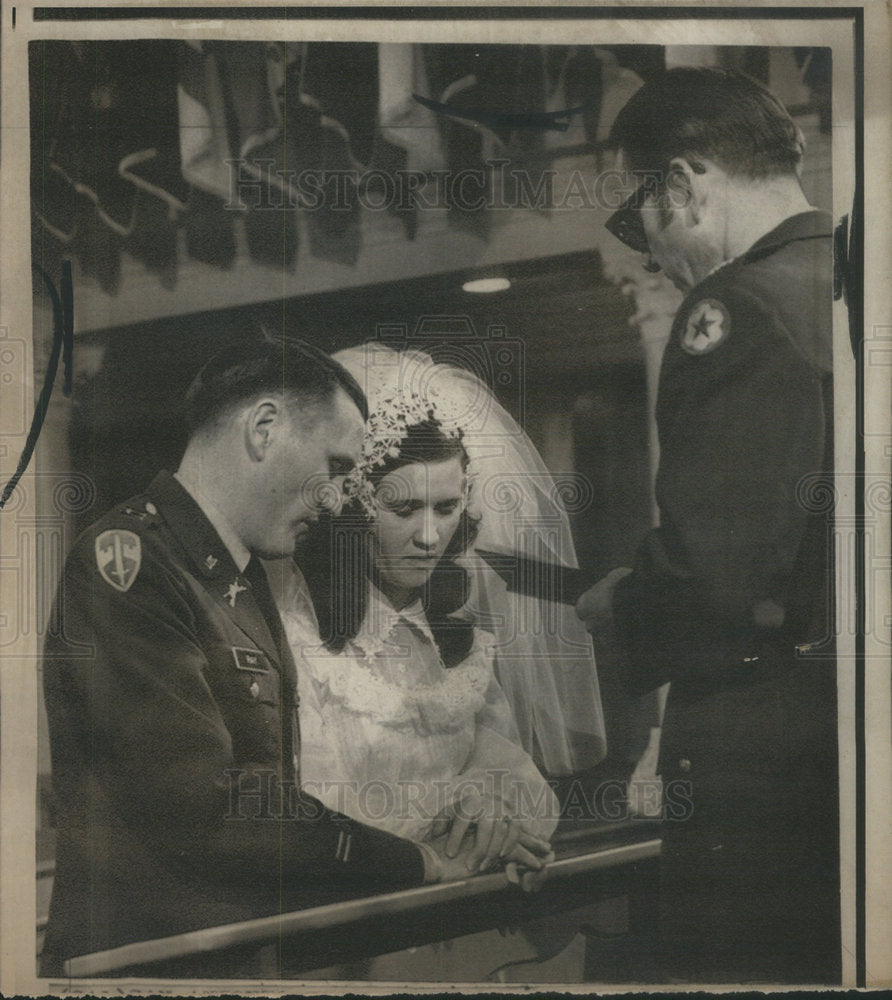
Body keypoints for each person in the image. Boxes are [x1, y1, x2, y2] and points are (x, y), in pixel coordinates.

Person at [40, 335, 483, 978]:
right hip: (149, 970)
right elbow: (211, 811)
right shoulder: (128, 564)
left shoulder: (234, 577)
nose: (337, 500)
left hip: (228, 961)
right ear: (265, 428)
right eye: (334, 467)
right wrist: (414, 862)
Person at [575, 67, 838, 983]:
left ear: (682, 185)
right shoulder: (851, 282)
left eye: (635, 217)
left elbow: (717, 578)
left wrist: (626, 605)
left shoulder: (737, 309)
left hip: (768, 761)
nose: (647, 254)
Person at [277, 345, 572, 884]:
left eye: (446, 506)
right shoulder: (301, 640)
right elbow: (315, 819)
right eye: (404, 509)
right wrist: (446, 828)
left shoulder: (458, 645)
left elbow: (525, 792)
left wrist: (495, 818)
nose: (430, 536)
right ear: (355, 510)